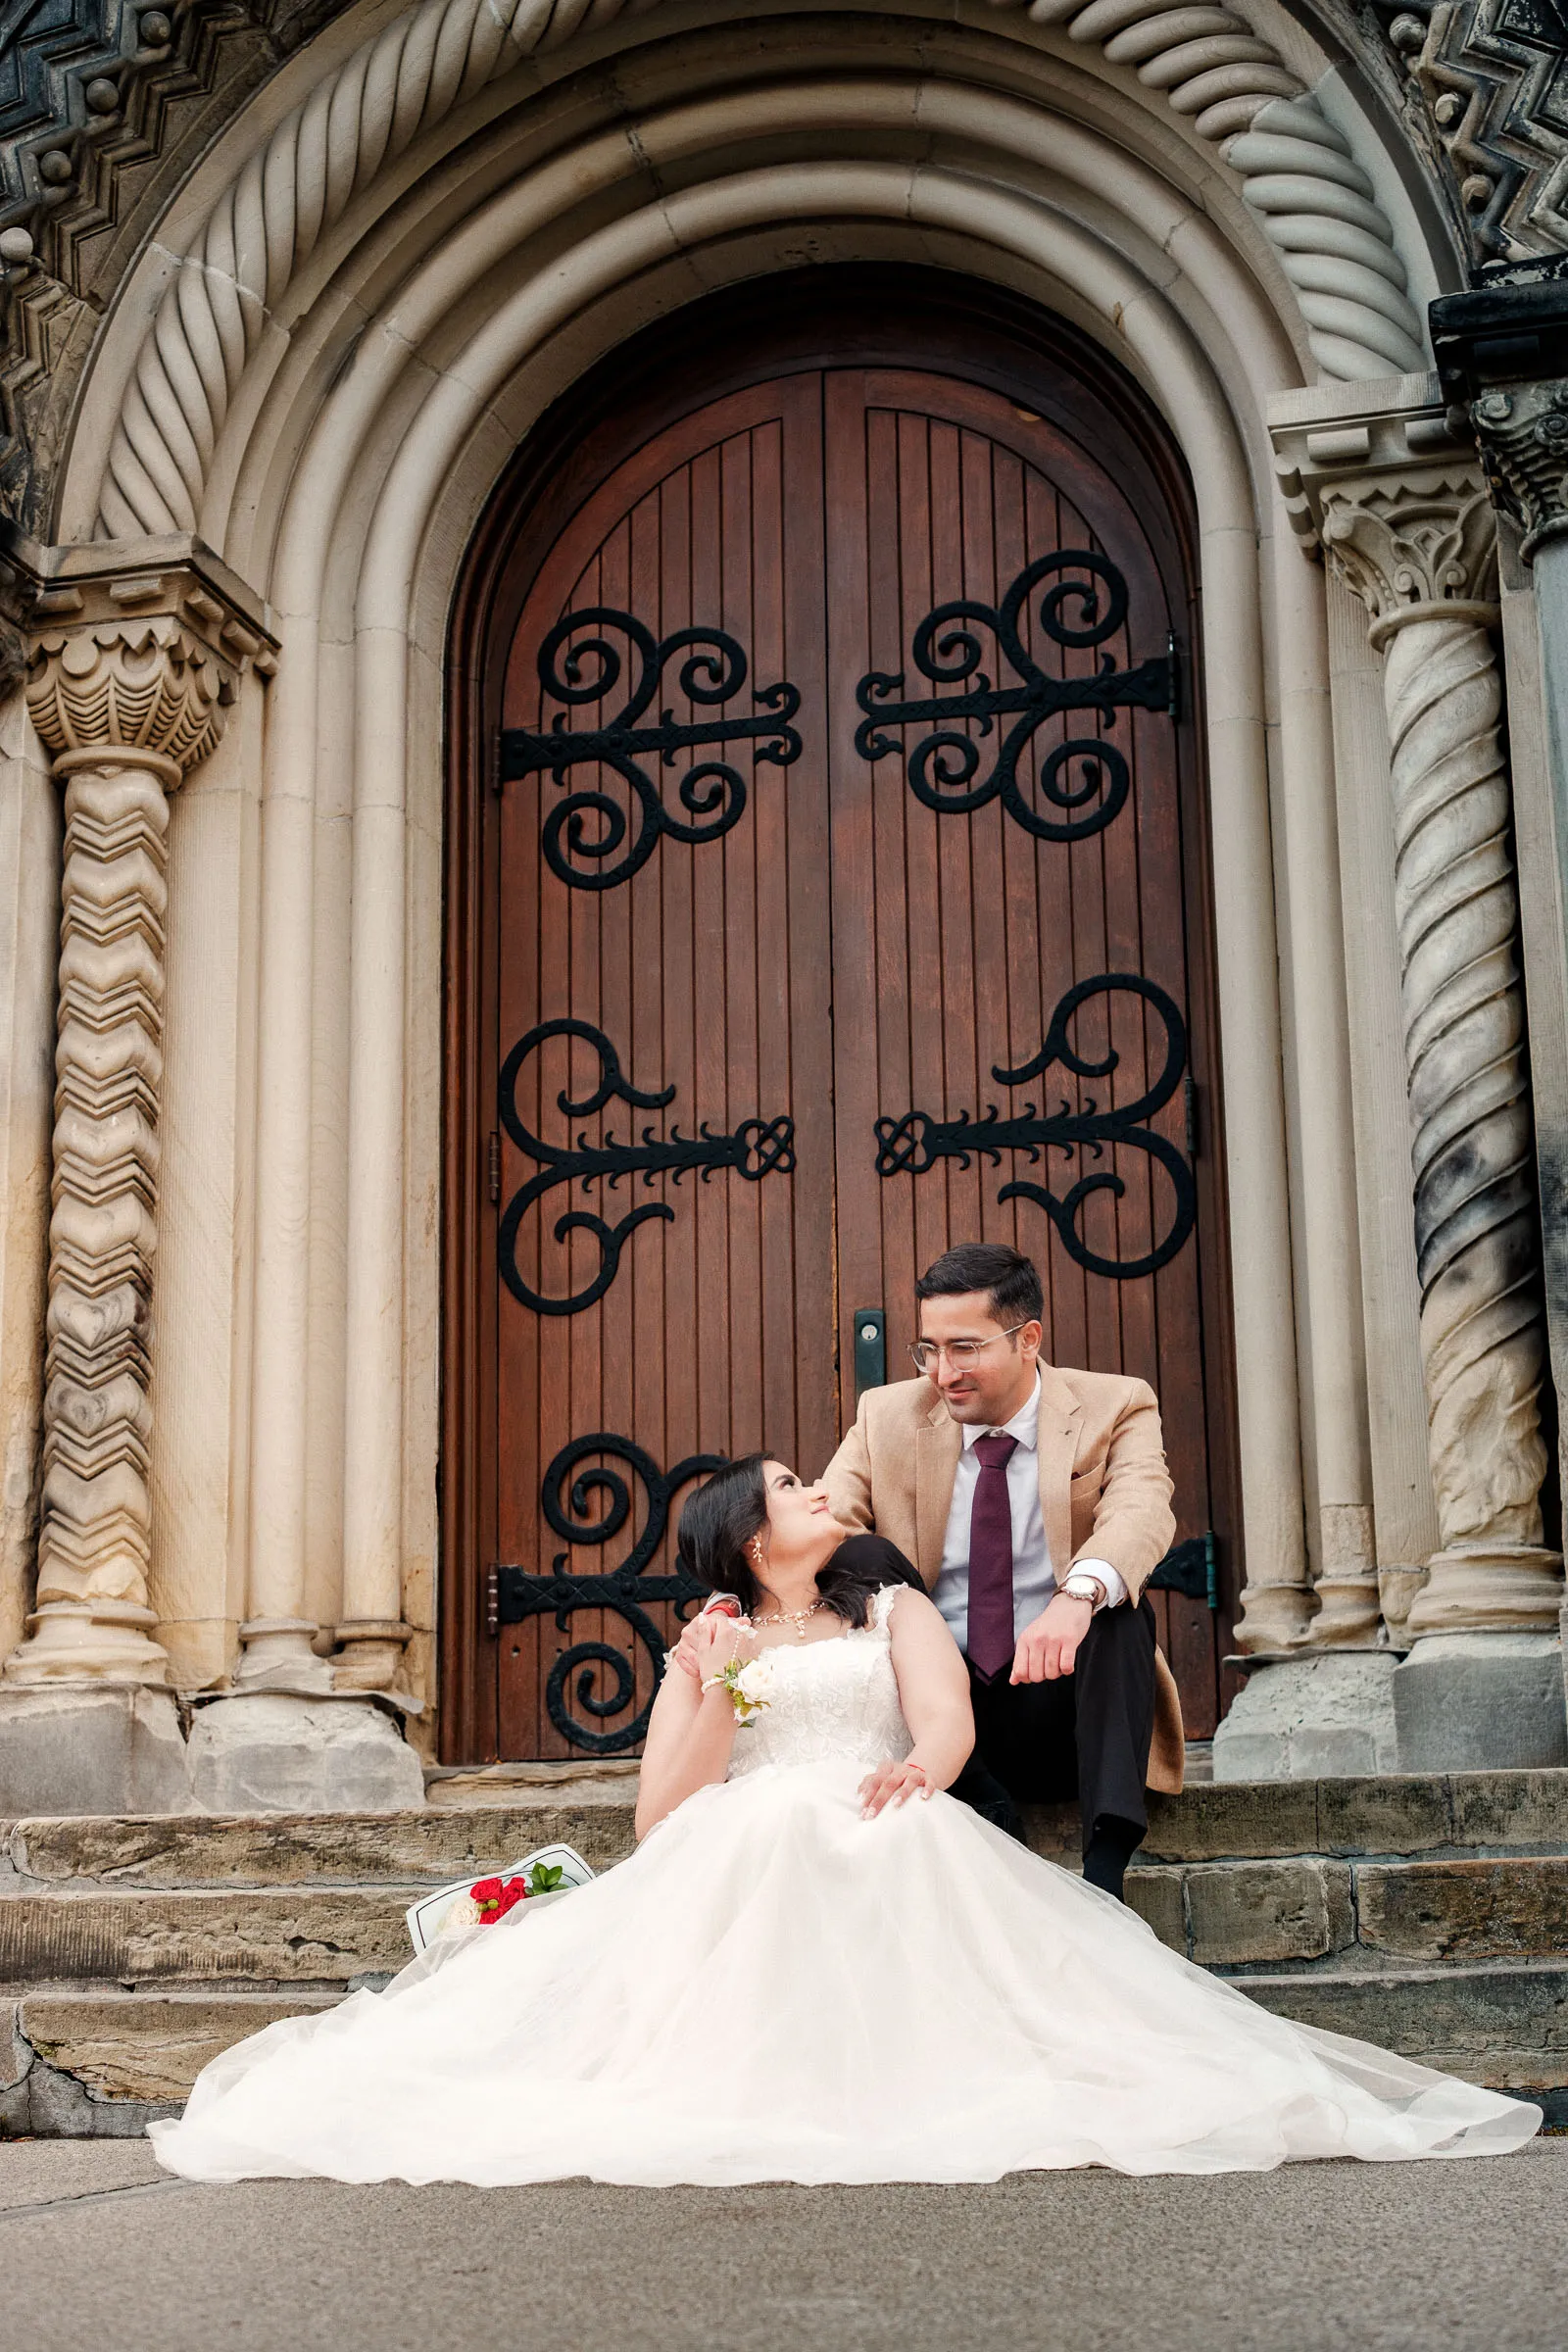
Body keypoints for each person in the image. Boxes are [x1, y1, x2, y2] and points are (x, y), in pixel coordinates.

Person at [148, 1450, 1539, 2187]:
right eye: (798, 1493)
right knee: (756, 1841)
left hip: (889, 1809)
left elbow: (944, 1725)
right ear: (760, 1543)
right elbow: (662, 1814)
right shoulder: (714, 1637)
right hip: (753, 1830)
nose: (825, 1496)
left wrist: (919, 1779)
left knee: (854, 1841)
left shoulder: (894, 1609)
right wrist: (698, 1681)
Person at [824, 1241, 1180, 1899]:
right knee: (859, 1555)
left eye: (965, 1348)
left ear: (1027, 1339)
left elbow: (1141, 1511)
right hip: (937, 1706)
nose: (942, 1371)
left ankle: (1105, 1875)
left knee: (1119, 1607)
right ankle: (984, 1801)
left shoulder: (1116, 1404)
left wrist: (1076, 1597)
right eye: (928, 1349)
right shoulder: (886, 1416)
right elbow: (829, 1525)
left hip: (1062, 1702)